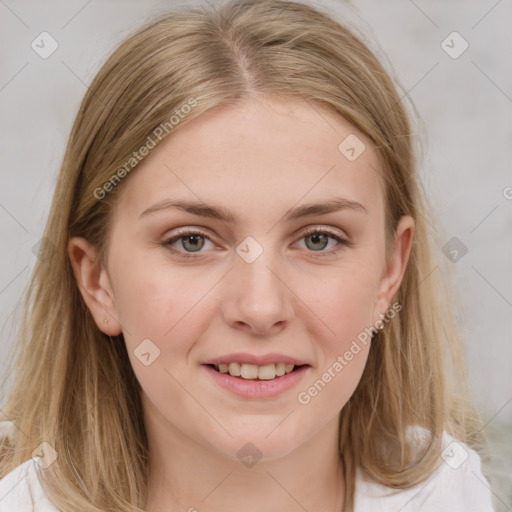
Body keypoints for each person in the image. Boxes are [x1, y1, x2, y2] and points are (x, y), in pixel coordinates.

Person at [0, 1, 497, 511]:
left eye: (318, 239)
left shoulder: (449, 493)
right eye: (191, 241)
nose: (260, 308)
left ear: (390, 272)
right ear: (97, 279)